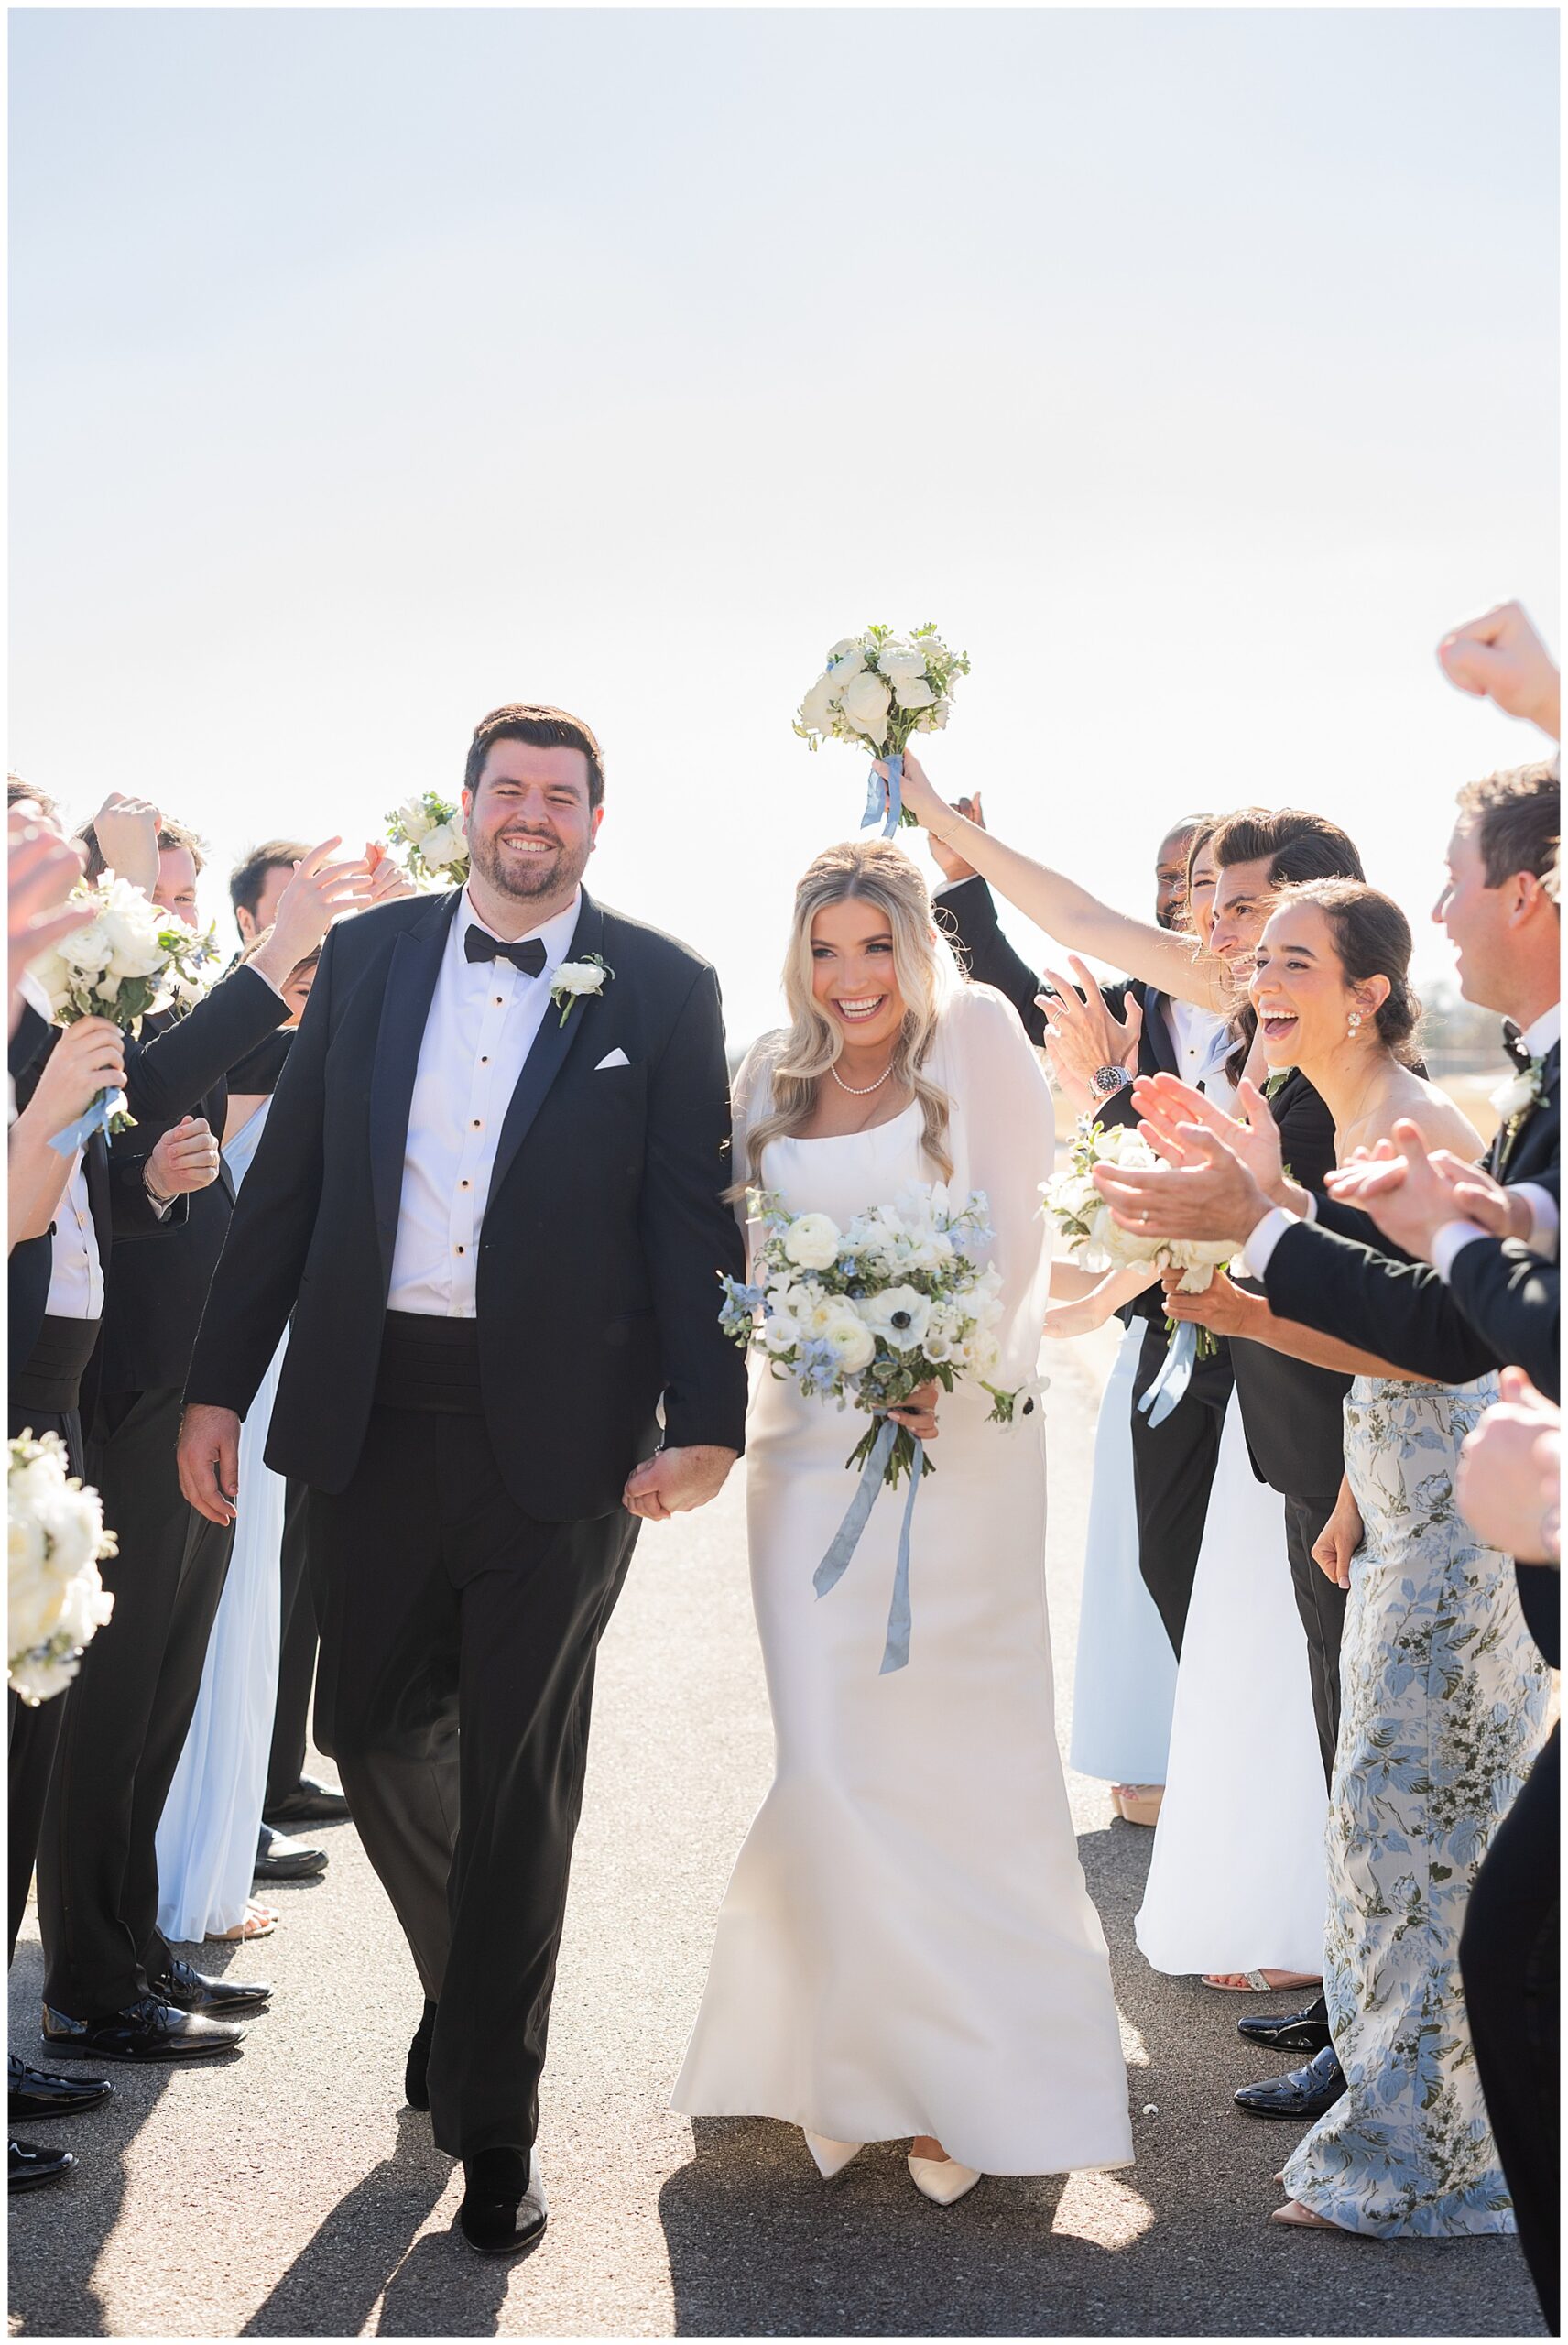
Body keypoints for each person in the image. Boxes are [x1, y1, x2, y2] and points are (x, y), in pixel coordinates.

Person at [179, 702, 748, 2258]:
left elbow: (692, 1220)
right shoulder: (364, 964)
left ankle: (494, 2121)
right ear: (469, 807)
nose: (533, 816)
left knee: (515, 1771)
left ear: (592, 823)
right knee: (365, 1729)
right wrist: (218, 1382)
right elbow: (287, 1186)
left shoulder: (665, 985)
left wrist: (706, 1418)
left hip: (561, 1438)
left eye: (561, 797)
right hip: (374, 1405)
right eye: (510, 790)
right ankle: (467, 1992)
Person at [672, 839, 1134, 2207]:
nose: (852, 977)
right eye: (828, 950)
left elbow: (1012, 1239)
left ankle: (962, 2082)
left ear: (917, 948)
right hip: (803, 1453)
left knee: (957, 1761)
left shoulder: (977, 1035)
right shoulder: (769, 1074)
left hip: (961, 1447)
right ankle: (845, 2061)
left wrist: (942, 1364)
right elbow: (745, 1268)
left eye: (877, 947)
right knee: (827, 1756)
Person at [1100, 880, 1551, 2237]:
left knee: (1411, 1835)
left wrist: (1252, 1300)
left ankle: (1421, 2165)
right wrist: (1345, 1468)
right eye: (1259, 964)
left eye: (1295, 961)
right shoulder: (1348, 1111)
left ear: (1369, 990)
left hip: (1464, 1506)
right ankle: (1413, 2133)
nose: (1263, 981)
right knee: (1387, 1828)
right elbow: (1379, 1330)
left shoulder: (1414, 1117)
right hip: (1399, 1482)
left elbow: (1445, 1338)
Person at [36, 815, 372, 2067]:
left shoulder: (135, 999)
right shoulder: (67, 1007)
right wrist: (277, 950)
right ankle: (88, 1982)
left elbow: (164, 1124)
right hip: (126, 1395)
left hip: (191, 1387)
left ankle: (132, 1948)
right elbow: (145, 1097)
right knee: (113, 1706)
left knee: (161, 1692)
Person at [935, 800, 1234, 1680]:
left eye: (1204, 878)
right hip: (1159, 1329)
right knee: (1165, 1552)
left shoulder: (1270, 1013)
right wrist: (958, 875)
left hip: (1261, 1329)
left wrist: (1113, 1088)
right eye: (1169, 879)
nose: (1182, 897)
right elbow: (998, 977)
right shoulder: (1124, 1006)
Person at [154, 948, 321, 1947]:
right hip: (199, 1351)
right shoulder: (212, 1043)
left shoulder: (270, 1045)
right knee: (198, 1631)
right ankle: (183, 1878)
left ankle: (212, 1859)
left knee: (245, 1611)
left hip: (267, 1353)